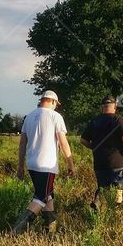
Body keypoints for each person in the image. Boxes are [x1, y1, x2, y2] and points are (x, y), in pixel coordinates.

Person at [12, 90, 76, 235]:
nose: (56, 107)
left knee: (48, 195)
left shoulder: (29, 117)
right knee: (40, 197)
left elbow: (22, 144)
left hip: (32, 165)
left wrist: (20, 166)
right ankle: (16, 230)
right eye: (56, 104)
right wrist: (71, 164)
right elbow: (63, 143)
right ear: (53, 101)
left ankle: (50, 231)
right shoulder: (55, 116)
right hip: (47, 166)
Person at [80, 95, 123, 209]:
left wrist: (94, 147)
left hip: (99, 163)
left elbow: (83, 140)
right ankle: (115, 212)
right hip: (117, 162)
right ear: (115, 106)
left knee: (102, 187)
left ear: (103, 107)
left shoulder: (94, 121)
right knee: (118, 189)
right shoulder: (118, 119)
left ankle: (97, 202)